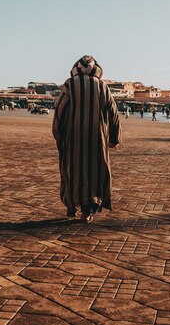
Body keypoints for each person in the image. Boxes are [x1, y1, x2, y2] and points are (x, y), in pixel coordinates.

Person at [53, 55, 121, 223]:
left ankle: (71, 205)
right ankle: (88, 209)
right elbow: (113, 113)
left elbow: (59, 114)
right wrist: (114, 138)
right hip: (98, 139)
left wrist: (59, 137)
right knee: (95, 172)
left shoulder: (69, 85)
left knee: (72, 170)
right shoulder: (102, 87)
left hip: (73, 138)